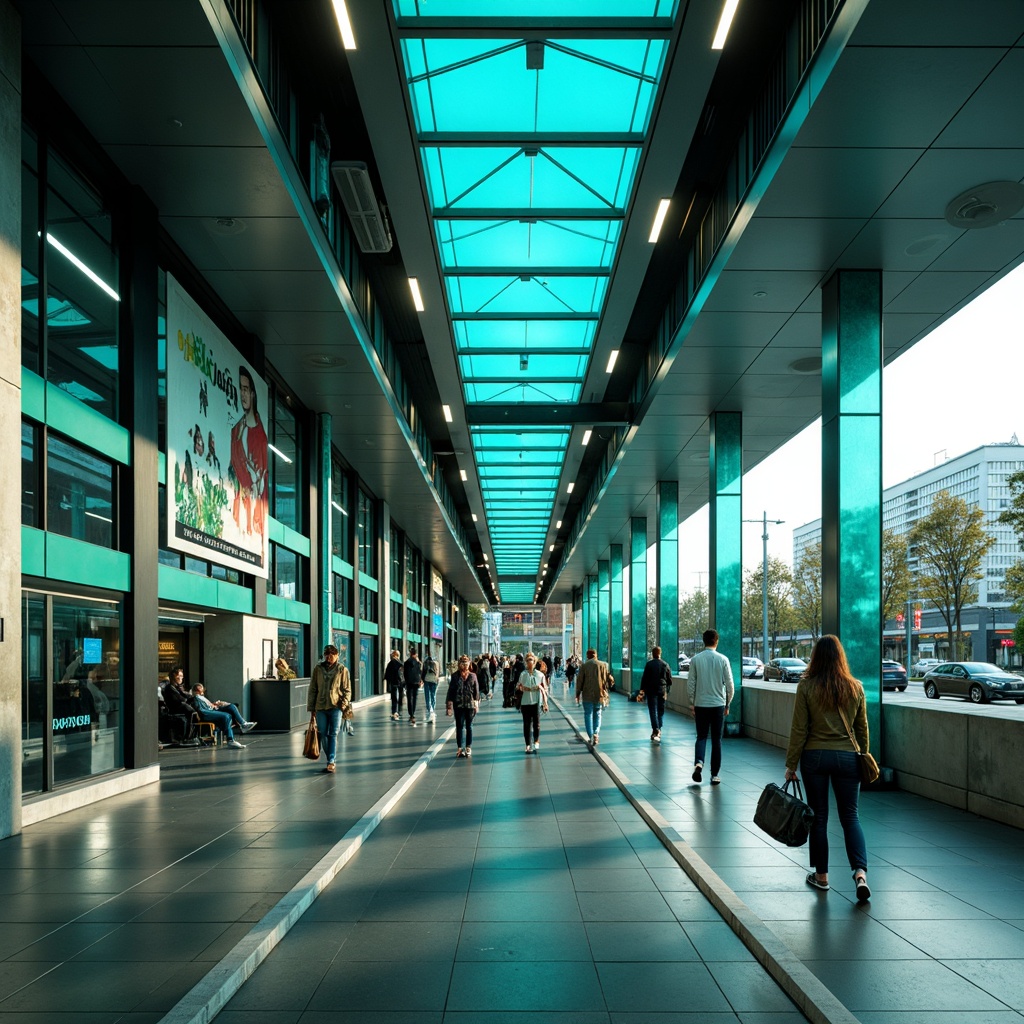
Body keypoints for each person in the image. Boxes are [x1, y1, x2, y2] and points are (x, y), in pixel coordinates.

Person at [785, 634, 871, 901]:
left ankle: (822, 877)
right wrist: (864, 755)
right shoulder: (855, 687)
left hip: (815, 758)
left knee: (819, 818)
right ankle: (860, 875)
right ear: (840, 657)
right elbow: (862, 728)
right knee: (851, 817)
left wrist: (791, 764)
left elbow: (799, 729)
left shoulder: (807, 686)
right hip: (848, 758)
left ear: (815, 657)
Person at [686, 629, 734, 785]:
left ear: (703, 640)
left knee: (701, 737)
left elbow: (691, 683)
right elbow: (730, 685)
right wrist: (727, 703)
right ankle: (714, 774)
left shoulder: (695, 660)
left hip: (701, 704)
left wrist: (692, 702)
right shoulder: (723, 659)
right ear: (717, 641)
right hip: (718, 705)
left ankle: (699, 762)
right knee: (716, 740)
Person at [229, 365, 268, 538]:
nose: (242, 394)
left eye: (245, 389)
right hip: (242, 509)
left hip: (256, 512)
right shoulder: (236, 431)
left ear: (253, 393)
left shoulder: (261, 436)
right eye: (240, 389)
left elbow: (264, 478)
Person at [306, 644, 352, 774]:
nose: (329, 657)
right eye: (327, 654)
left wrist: (343, 704)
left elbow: (347, 690)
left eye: (331, 654)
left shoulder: (342, 670)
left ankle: (331, 760)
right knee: (323, 733)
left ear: (337, 655)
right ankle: (330, 756)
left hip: (335, 706)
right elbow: (313, 689)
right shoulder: (318, 669)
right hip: (320, 707)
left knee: (333, 733)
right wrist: (311, 708)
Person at [191, 683, 256, 743]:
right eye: (200, 689)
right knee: (227, 716)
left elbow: (208, 705)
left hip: (213, 709)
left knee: (232, 706)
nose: (202, 690)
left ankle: (243, 724)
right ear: (198, 690)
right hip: (209, 712)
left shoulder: (202, 697)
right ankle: (230, 739)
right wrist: (214, 705)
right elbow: (203, 709)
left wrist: (216, 704)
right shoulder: (197, 698)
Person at [574, 647, 612, 746]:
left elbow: (580, 681)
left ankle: (591, 736)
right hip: (599, 694)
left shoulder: (584, 666)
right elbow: (609, 679)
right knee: (597, 713)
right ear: (596, 655)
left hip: (587, 694)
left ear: (587, 656)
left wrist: (577, 694)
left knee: (588, 714)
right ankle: (596, 733)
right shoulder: (603, 665)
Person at [445, 655, 479, 758]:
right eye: (463, 663)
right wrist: (449, 706)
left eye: (466, 662)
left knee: (469, 726)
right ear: (459, 664)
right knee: (459, 727)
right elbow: (450, 691)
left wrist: (476, 704)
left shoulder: (473, 676)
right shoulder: (455, 676)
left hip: (470, 705)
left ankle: (468, 747)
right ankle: (460, 747)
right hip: (458, 705)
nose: (464, 665)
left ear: (469, 664)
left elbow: (476, 691)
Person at [640, 645, 673, 743]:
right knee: (661, 710)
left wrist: (642, 691)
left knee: (652, 710)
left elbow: (644, 678)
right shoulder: (665, 664)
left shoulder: (649, 664)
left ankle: (656, 729)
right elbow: (670, 680)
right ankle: (659, 729)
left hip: (651, 690)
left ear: (652, 654)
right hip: (662, 690)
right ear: (660, 653)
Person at [516, 652, 549, 753]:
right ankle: (527, 744)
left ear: (534, 662)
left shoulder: (540, 674)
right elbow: (518, 686)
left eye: (531, 660)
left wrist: (545, 702)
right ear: (525, 662)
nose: (530, 662)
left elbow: (545, 689)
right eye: (528, 660)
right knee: (526, 724)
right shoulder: (523, 674)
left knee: (536, 723)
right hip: (525, 701)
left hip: (536, 701)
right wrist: (521, 688)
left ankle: (536, 741)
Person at [403, 649, 423, 726]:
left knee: (409, 698)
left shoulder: (406, 662)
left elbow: (405, 673)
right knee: (414, 697)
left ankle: (410, 714)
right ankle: (413, 713)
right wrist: (420, 680)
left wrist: (406, 681)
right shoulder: (418, 663)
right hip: (416, 682)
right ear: (415, 654)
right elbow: (420, 671)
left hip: (409, 682)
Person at [385, 650, 404, 720]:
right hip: (401, 682)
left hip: (394, 682)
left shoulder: (391, 663)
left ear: (394, 655)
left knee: (394, 697)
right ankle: (400, 711)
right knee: (400, 697)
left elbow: (387, 673)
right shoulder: (401, 663)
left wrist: (388, 681)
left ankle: (394, 711)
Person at [422, 650, 440, 723]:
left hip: (427, 680)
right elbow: (438, 672)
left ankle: (429, 709)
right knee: (433, 695)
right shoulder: (436, 663)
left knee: (427, 695)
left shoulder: (425, 662)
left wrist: (422, 680)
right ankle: (432, 708)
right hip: (434, 680)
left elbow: (423, 672)